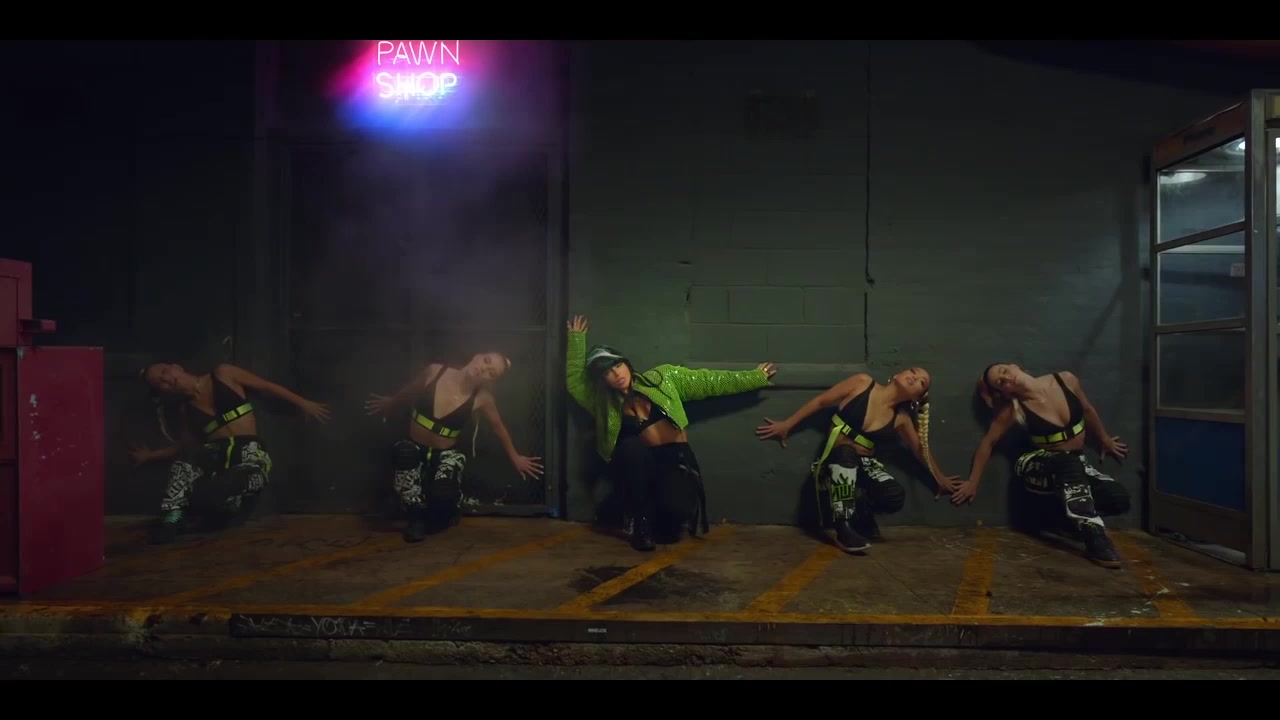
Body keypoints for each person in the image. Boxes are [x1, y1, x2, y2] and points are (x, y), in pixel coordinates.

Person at [565, 314, 777, 551]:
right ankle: (640, 524)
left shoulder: (662, 379)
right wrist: (576, 340)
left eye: (617, 365)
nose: (616, 374)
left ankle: (640, 513)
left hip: (676, 460)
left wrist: (754, 378)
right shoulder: (603, 404)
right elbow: (575, 383)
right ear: (602, 380)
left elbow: (710, 381)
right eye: (607, 373)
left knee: (670, 527)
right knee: (629, 448)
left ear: (625, 363)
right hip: (642, 465)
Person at [756, 368, 958, 553]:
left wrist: (939, 478)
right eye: (913, 371)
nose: (914, 377)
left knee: (894, 495)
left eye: (922, 382)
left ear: (917, 398)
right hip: (834, 462)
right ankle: (842, 529)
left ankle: (860, 511)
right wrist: (787, 425)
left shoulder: (901, 419)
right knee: (846, 453)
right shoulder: (862, 382)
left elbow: (920, 450)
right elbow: (821, 402)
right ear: (896, 374)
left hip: (864, 465)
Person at [130, 362, 331, 543]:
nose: (166, 379)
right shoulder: (186, 410)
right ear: (163, 391)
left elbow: (265, 386)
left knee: (246, 479)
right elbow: (185, 445)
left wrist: (303, 403)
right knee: (182, 467)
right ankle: (171, 522)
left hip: (248, 451)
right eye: (160, 383)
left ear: (177, 367)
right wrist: (150, 456)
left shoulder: (223, 373)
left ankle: (222, 511)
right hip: (215, 453)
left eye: (164, 371)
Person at [954, 362, 1130, 568]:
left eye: (1004, 371)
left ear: (1014, 366)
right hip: (1037, 466)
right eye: (1000, 383)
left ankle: (1064, 521)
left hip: (1075, 463)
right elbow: (988, 443)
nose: (1006, 378)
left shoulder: (1066, 380)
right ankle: (1095, 538)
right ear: (1005, 392)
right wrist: (973, 482)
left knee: (1118, 498)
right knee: (1066, 462)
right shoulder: (1014, 409)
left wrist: (1105, 439)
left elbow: (1088, 410)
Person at [366, 351, 543, 542]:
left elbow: (498, 428)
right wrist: (392, 402)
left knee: (442, 510)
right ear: (477, 356)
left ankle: (450, 504)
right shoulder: (435, 371)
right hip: (414, 447)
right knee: (404, 454)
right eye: (486, 361)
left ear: (490, 380)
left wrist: (515, 456)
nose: (484, 369)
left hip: (445, 454)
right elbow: (412, 389)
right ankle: (415, 517)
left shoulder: (483, 398)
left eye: (491, 373)